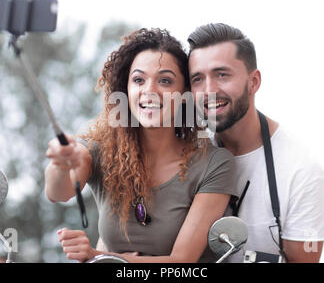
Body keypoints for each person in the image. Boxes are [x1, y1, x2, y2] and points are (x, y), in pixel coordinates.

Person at [44, 28, 238, 263]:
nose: (150, 91)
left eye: (165, 81)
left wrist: (100, 257)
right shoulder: (98, 151)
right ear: (125, 90)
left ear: (184, 92)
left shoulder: (214, 163)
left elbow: (182, 262)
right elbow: (58, 192)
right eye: (138, 80)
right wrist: (61, 162)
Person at [187, 22, 324, 263]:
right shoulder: (185, 158)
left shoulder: (301, 169)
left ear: (254, 82)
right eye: (198, 79)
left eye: (222, 74)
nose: (209, 90)